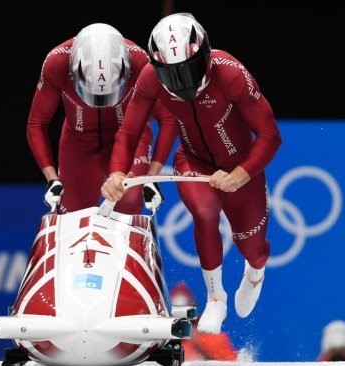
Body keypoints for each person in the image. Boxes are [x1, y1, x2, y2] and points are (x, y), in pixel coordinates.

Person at [101, 13, 282, 334]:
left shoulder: (231, 74)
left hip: (241, 166)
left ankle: (255, 272)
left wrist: (240, 174)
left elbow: (270, 136)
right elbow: (128, 133)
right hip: (194, 160)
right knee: (204, 211)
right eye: (173, 74)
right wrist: (116, 173)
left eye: (189, 69)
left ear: (205, 56)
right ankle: (215, 297)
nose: (183, 82)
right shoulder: (148, 79)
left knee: (252, 247)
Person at [26, 23, 176, 215]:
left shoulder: (141, 63)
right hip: (78, 141)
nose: (101, 103)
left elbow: (168, 117)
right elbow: (36, 123)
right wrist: (52, 179)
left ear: (126, 70)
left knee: (128, 201)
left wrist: (152, 177)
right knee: (73, 214)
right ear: (73, 71)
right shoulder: (57, 62)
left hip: (129, 136)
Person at [170, 281, 238, 361]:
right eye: (176, 318)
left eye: (186, 319)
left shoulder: (207, 337)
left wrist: (197, 340)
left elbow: (232, 360)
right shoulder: (162, 340)